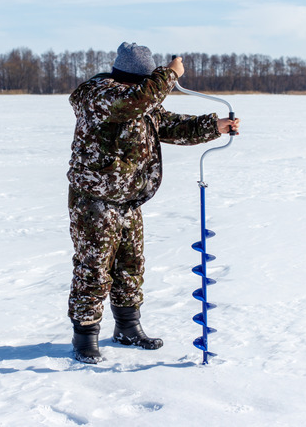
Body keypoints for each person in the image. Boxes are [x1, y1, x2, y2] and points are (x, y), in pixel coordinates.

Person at [66, 42, 241, 364]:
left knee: (130, 267)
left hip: (129, 200)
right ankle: (85, 337)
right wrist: (170, 74)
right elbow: (134, 103)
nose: (152, 88)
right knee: (94, 269)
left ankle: (128, 328)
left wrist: (213, 126)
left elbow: (169, 124)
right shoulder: (100, 95)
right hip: (95, 200)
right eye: (148, 81)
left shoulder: (140, 99)